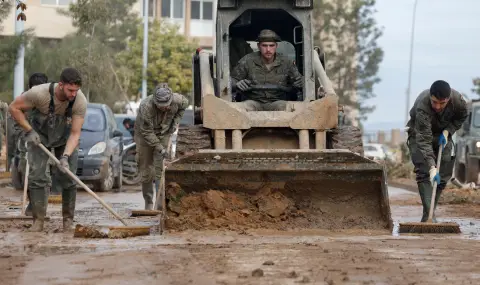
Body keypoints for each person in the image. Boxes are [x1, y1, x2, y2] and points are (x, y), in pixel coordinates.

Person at [9, 67, 87, 232]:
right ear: (61, 85)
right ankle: (38, 221)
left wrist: (65, 156)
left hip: (65, 138)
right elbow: (13, 108)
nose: (73, 94)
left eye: (76, 90)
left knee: (68, 177)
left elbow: (75, 133)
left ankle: (68, 221)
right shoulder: (39, 93)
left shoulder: (80, 101)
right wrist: (29, 131)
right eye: (70, 90)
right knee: (37, 176)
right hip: (39, 136)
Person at [406, 80, 468, 222]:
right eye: (434, 102)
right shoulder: (423, 106)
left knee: (444, 171)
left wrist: (448, 131)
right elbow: (424, 140)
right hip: (420, 135)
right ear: (430, 97)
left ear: (448, 99)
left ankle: (429, 212)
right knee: (424, 171)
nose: (438, 107)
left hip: (442, 135)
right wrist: (432, 166)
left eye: (442, 103)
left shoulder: (459, 102)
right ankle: (428, 215)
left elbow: (462, 117)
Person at [134, 83, 188, 210]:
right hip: (144, 135)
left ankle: (160, 204)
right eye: (161, 106)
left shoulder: (178, 100)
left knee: (160, 169)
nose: (164, 108)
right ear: (156, 102)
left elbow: (184, 105)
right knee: (146, 170)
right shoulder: (146, 106)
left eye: (167, 105)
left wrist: (175, 122)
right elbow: (147, 132)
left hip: (164, 133)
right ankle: (148, 202)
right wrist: (160, 148)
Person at [230, 29, 303, 111]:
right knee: (243, 109)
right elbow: (231, 81)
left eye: (271, 46)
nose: (268, 50)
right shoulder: (247, 61)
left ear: (276, 46)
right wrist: (237, 84)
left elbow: (300, 82)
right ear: (258, 46)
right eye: (264, 45)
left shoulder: (287, 63)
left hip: (277, 102)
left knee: (286, 108)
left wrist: (300, 83)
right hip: (253, 102)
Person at [8, 73, 50, 215]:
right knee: (26, 171)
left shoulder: (51, 101)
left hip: (44, 146)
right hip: (26, 145)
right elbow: (14, 125)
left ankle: (40, 207)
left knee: (43, 176)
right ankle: (32, 203)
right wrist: (25, 132)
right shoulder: (21, 101)